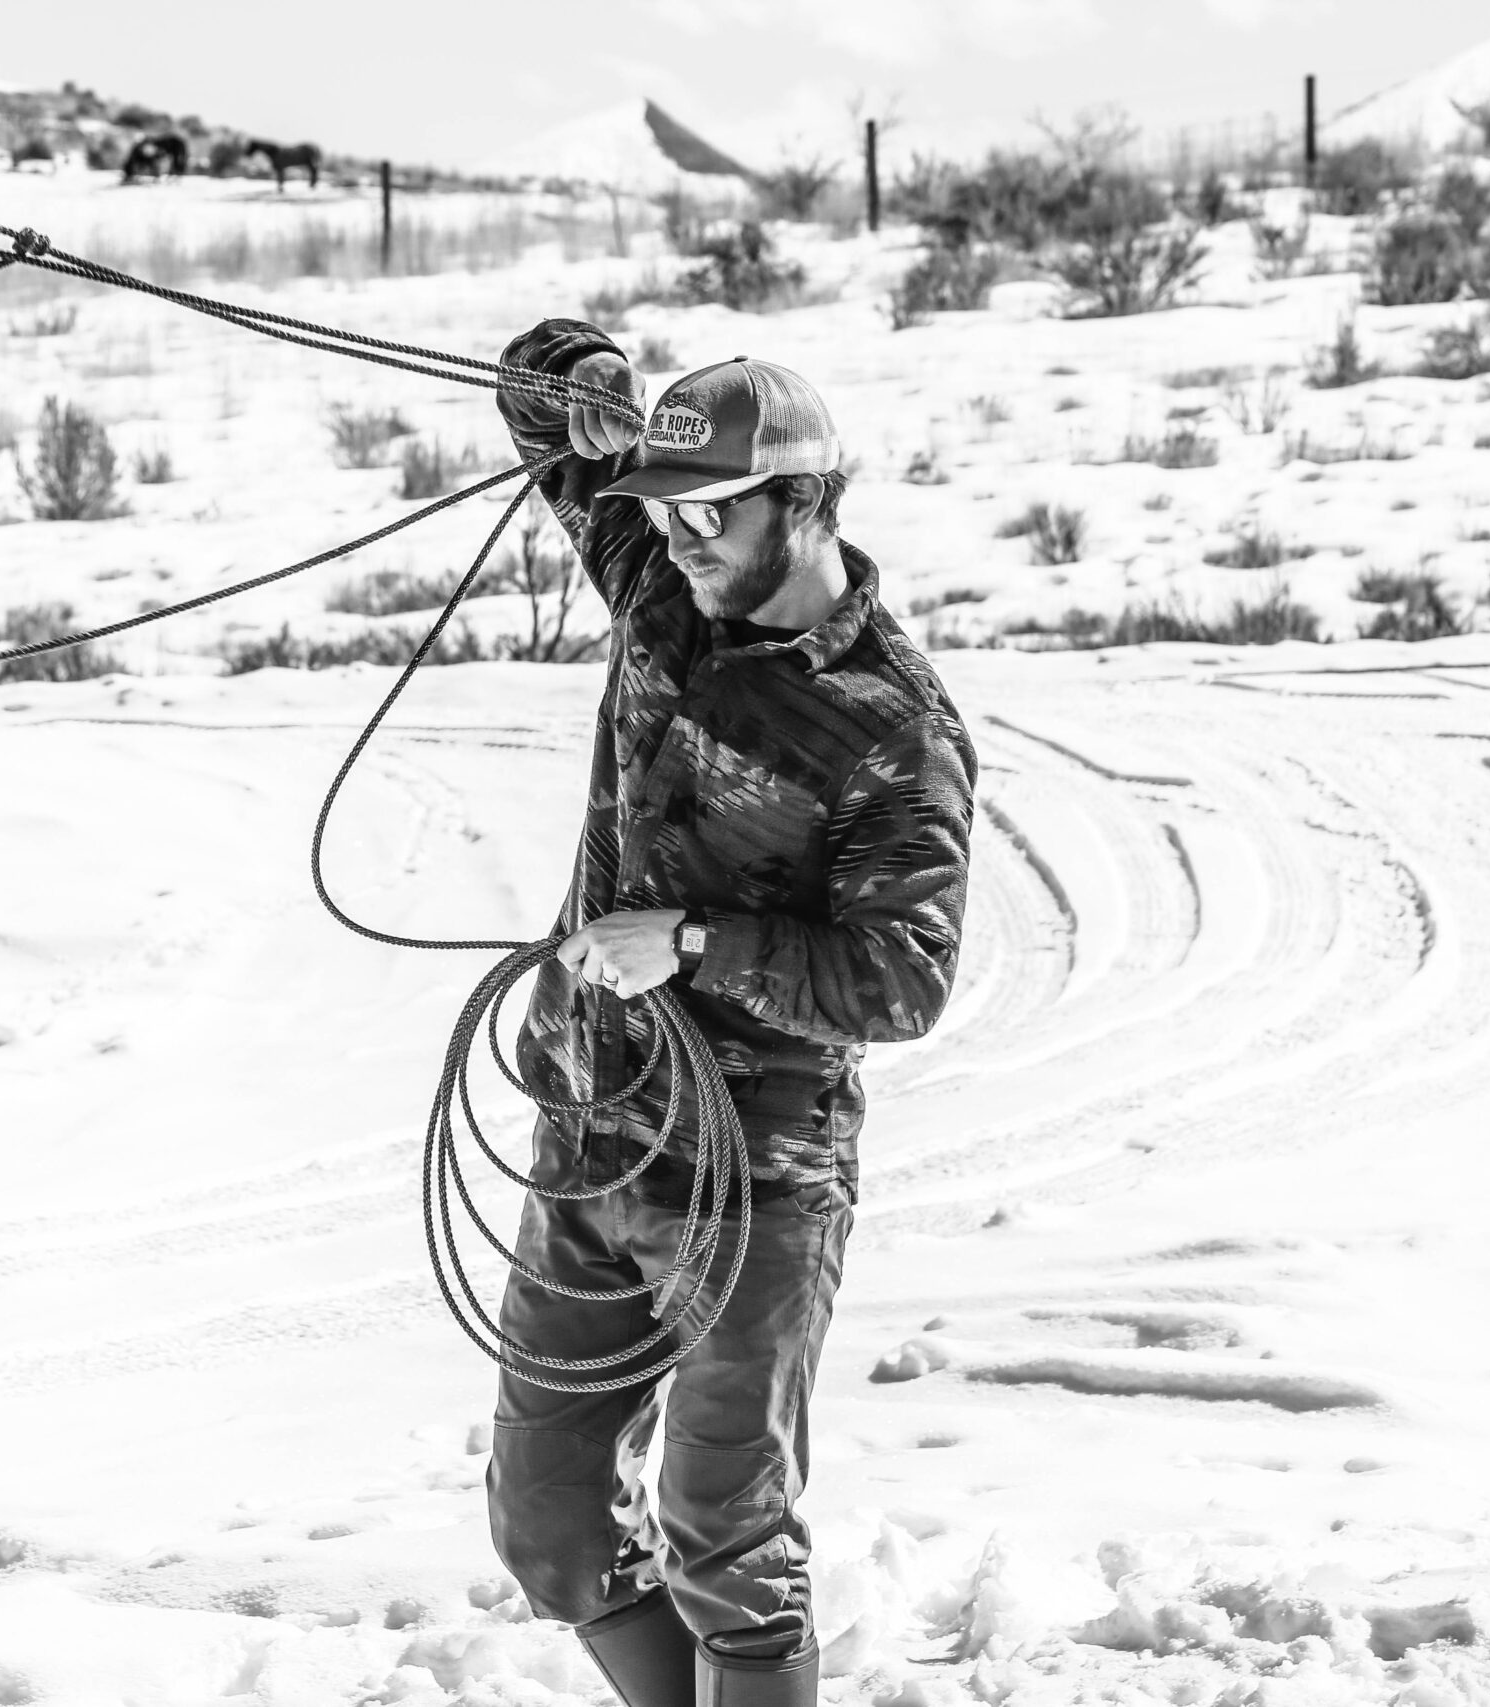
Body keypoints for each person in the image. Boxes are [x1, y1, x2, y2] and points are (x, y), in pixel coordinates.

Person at [483, 321, 978, 1707]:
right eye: (664, 507)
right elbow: (533, 395)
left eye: (714, 510)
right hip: (593, 1136)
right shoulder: (662, 584)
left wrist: (695, 943)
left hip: (754, 1178)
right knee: (548, 1526)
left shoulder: (892, 725)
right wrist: (585, 386)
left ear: (806, 503)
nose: (682, 536)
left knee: (726, 1538)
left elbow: (903, 977)